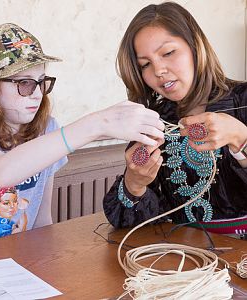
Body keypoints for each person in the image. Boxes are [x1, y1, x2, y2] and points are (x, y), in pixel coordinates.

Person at [0, 23, 165, 250]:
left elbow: (41, 219)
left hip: (11, 260)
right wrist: (97, 124)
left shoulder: (47, 129)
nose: (38, 93)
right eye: (25, 83)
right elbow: (0, 172)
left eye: (42, 82)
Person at [103, 2, 247, 237]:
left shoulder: (243, 100)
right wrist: (134, 183)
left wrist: (240, 138)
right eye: (145, 64)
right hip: (181, 256)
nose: (158, 70)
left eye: (168, 53)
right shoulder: (155, 123)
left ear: (195, 46)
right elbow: (129, 222)